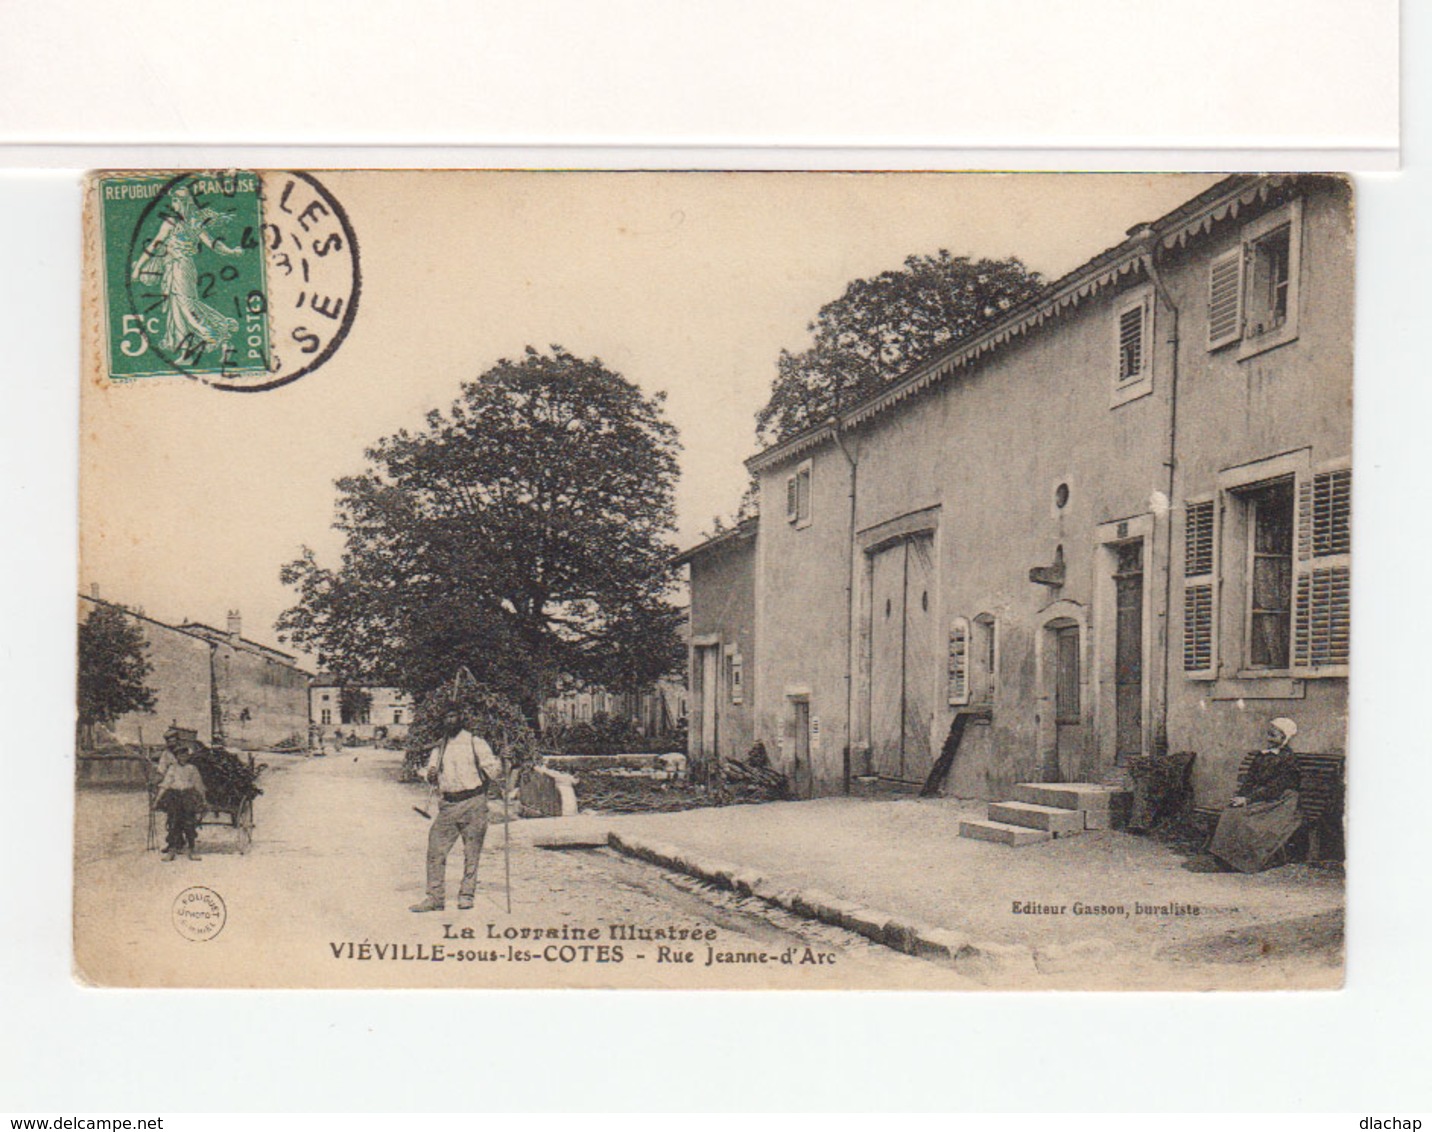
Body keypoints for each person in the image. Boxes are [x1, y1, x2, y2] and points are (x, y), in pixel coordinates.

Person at [410, 710, 505, 913]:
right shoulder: (440, 747)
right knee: (435, 851)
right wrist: (431, 775)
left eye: (453, 716)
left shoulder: (475, 742)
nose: (449, 720)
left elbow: (494, 771)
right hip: (448, 806)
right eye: (446, 717)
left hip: (474, 803)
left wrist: (499, 763)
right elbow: (430, 774)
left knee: (472, 853)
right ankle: (435, 898)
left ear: (461, 719)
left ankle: (466, 896)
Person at [1207, 717, 1302, 873]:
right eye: (1268, 734)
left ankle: (1244, 861)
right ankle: (1227, 858)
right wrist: (1241, 796)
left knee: (1249, 821)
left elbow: (1277, 786)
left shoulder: (1288, 759)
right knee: (1231, 813)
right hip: (1263, 797)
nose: (1268, 739)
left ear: (1284, 738)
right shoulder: (1261, 756)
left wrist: (1248, 799)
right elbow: (1249, 780)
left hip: (1281, 801)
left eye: (1273, 735)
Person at [155, 734, 208, 861]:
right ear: (177, 757)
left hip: (188, 797)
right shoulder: (172, 768)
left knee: (189, 823)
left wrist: (204, 800)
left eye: (185, 755)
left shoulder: (192, 769)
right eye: (180, 755)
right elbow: (165, 784)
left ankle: (192, 849)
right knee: (173, 822)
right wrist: (157, 800)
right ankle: (172, 850)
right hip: (174, 797)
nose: (182, 757)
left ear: (188, 756)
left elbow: (199, 785)